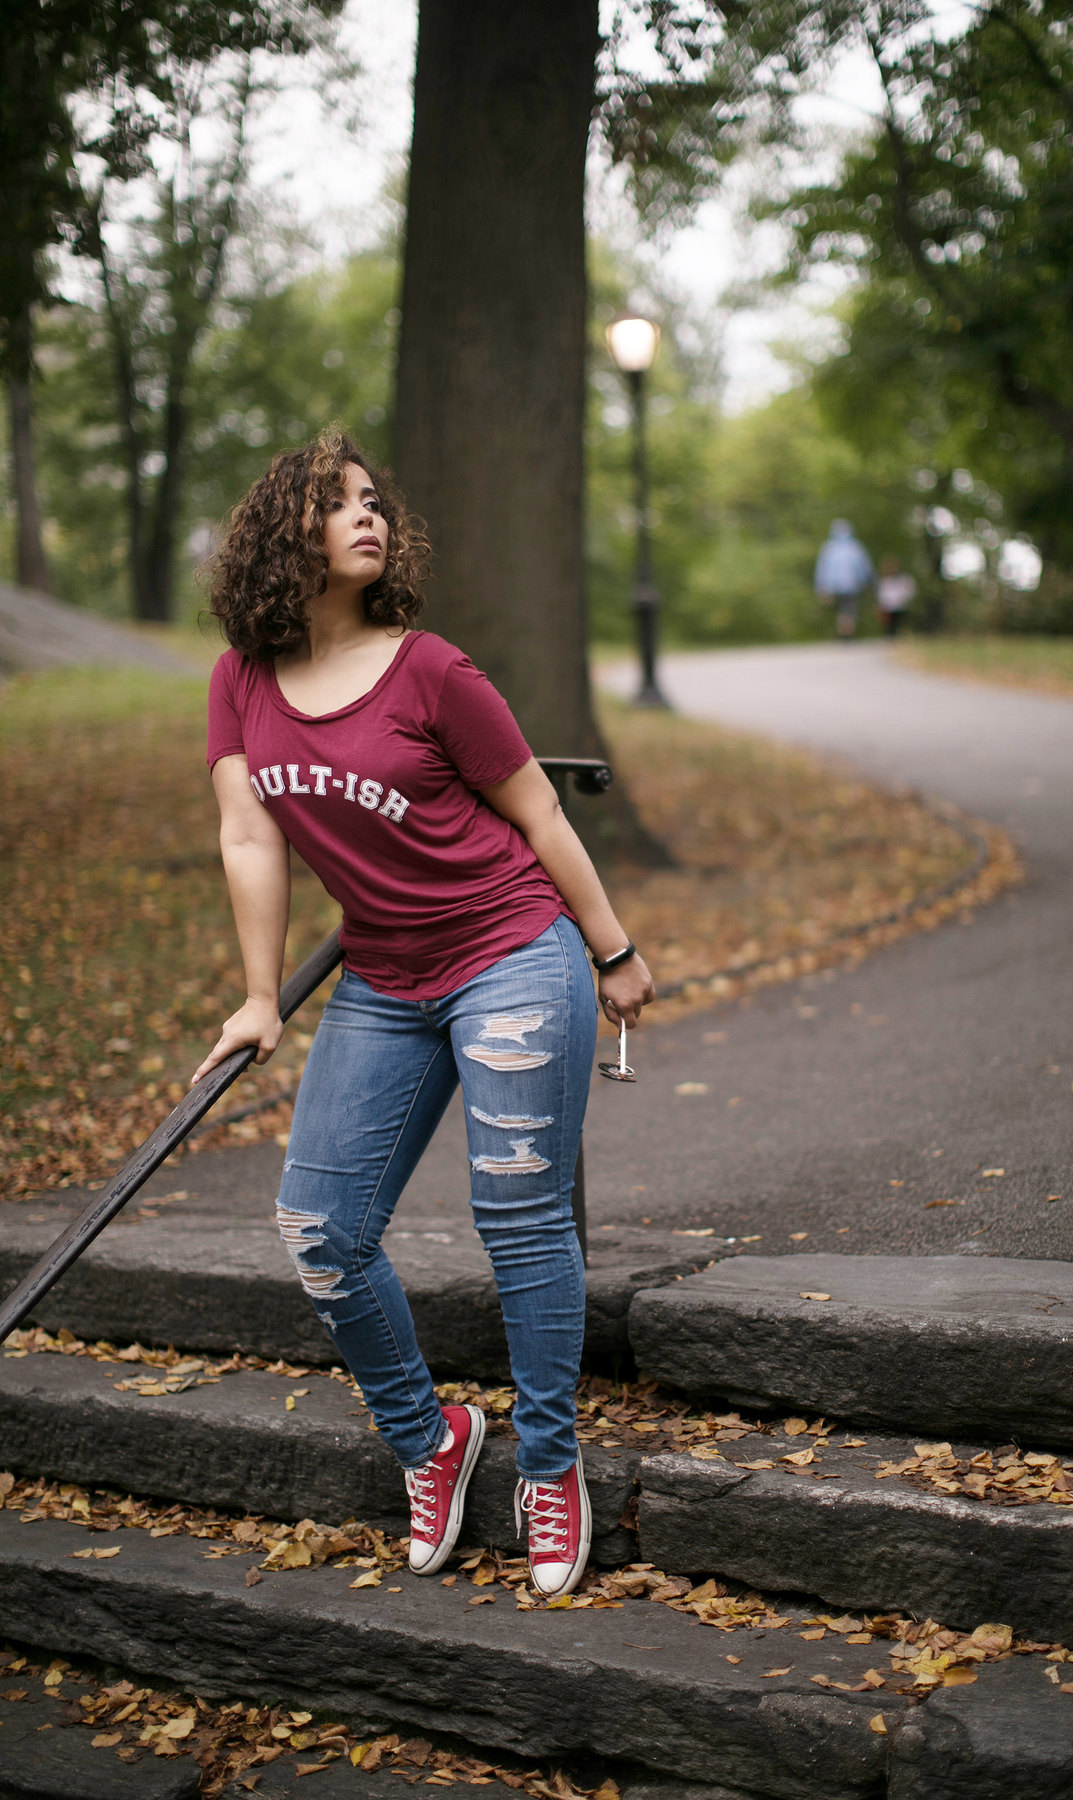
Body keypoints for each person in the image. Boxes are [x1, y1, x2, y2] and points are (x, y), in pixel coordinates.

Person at [194, 427, 654, 1600]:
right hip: (386, 983)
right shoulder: (241, 680)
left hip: (509, 954)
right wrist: (259, 998)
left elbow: (541, 817)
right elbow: (250, 838)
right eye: (336, 501)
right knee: (320, 1230)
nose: (368, 516)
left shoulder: (433, 671)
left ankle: (550, 1468)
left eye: (373, 502)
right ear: (277, 533)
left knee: (518, 1220)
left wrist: (615, 949)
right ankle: (432, 1439)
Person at [814, 519, 874, 639]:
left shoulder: (829, 547)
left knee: (842, 609)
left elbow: (822, 569)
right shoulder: (855, 547)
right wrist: (870, 581)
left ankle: (842, 632)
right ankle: (846, 633)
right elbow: (864, 567)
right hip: (852, 585)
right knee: (849, 609)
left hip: (833, 587)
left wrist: (821, 587)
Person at [876, 559, 917, 637]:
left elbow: (910, 590)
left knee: (900, 623)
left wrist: (905, 599)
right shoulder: (884, 581)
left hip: (901, 606)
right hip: (888, 607)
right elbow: (881, 594)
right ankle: (890, 638)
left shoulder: (904, 579)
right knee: (890, 626)